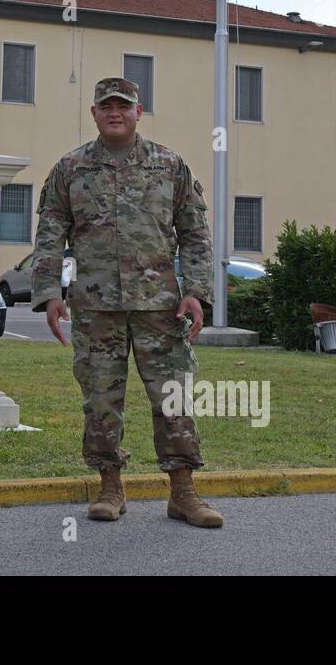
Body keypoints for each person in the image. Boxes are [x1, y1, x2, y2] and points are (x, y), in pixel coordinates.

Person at [31, 76, 223, 528]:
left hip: (161, 306)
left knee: (172, 397)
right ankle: (110, 486)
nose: (114, 112)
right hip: (96, 307)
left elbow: (195, 233)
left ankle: (183, 492)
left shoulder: (171, 166)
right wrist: (47, 294)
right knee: (100, 399)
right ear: (94, 114)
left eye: (124, 105)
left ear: (139, 112)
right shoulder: (70, 169)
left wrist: (196, 291)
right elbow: (50, 234)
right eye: (106, 106)